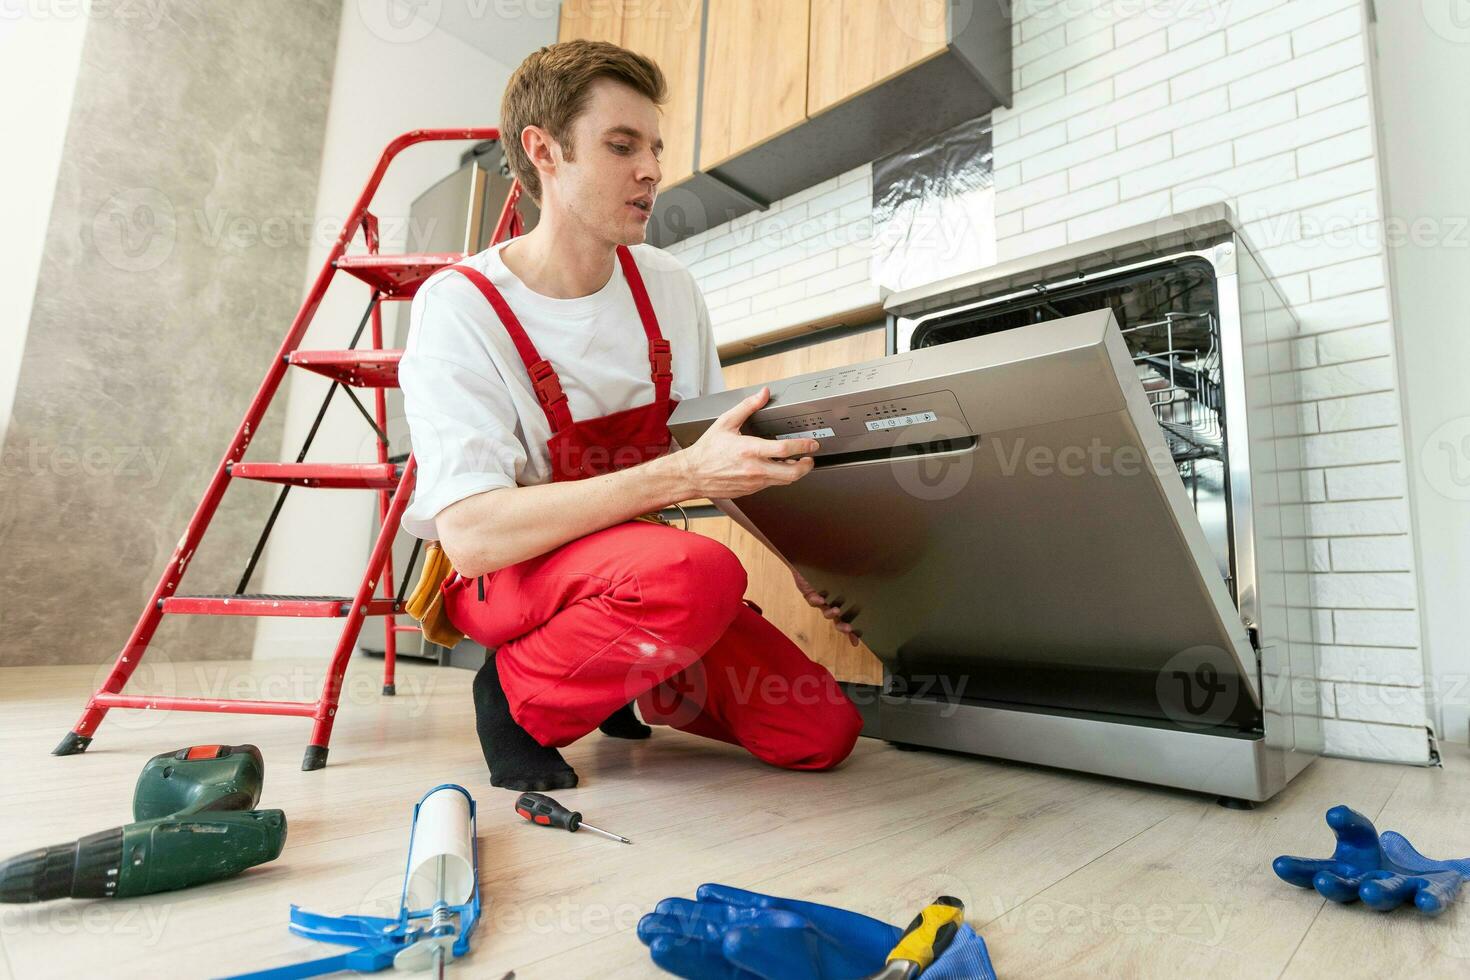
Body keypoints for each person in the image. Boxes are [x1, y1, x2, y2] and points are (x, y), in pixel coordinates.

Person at [397, 40, 862, 792]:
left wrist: (804, 563)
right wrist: (678, 473)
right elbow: (475, 537)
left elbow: (717, 459)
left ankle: (624, 680)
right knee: (695, 571)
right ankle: (515, 698)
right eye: (621, 146)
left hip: (635, 575)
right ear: (544, 151)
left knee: (822, 731)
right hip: (510, 573)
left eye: (654, 147)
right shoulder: (462, 307)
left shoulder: (668, 286)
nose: (650, 169)